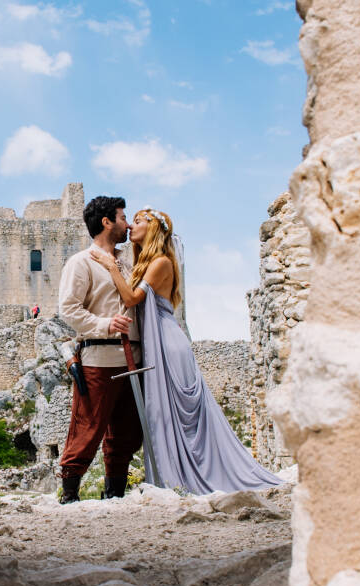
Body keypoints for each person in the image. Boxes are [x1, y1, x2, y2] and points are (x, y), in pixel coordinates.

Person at [90, 208, 282, 495]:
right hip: (157, 345)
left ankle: (192, 474)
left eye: (139, 221)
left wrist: (110, 266)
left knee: (181, 414)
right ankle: (177, 475)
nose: (131, 225)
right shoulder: (147, 263)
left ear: (153, 229)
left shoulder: (161, 263)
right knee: (163, 413)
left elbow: (130, 298)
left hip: (168, 344)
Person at [57, 195, 142, 503]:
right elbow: (69, 308)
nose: (128, 223)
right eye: (122, 217)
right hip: (99, 358)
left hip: (136, 359)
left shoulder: (132, 259)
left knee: (129, 432)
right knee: (87, 428)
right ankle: (69, 494)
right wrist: (106, 324)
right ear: (106, 222)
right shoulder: (81, 262)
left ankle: (115, 493)